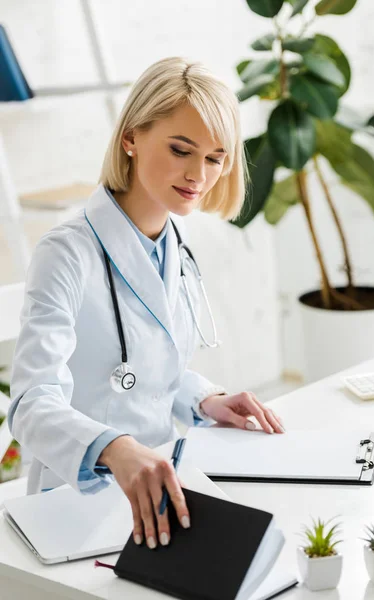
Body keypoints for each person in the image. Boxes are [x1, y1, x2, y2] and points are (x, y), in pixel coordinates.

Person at [8, 56, 284, 551]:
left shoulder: (174, 244)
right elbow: (30, 404)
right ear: (131, 138)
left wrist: (204, 399)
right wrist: (113, 448)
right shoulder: (66, 252)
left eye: (216, 157)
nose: (199, 174)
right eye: (181, 149)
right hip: (77, 498)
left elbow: (146, 367)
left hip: (161, 488)